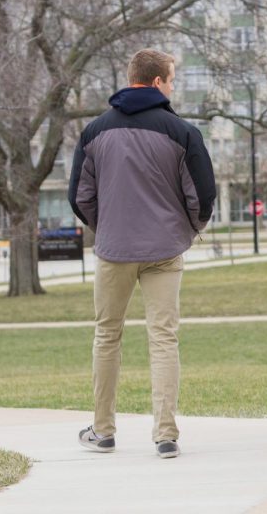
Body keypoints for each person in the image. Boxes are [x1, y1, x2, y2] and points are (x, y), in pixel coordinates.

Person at [68, 48, 216, 459]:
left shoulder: (94, 131)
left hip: (114, 249)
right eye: (171, 80)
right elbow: (203, 197)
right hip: (165, 251)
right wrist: (186, 228)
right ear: (155, 82)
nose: (173, 87)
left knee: (106, 335)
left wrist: (107, 225)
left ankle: (102, 430)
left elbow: (79, 197)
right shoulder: (183, 132)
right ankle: (165, 435)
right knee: (164, 338)